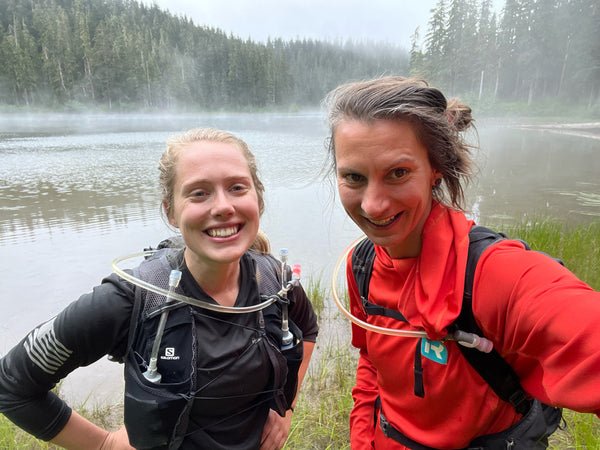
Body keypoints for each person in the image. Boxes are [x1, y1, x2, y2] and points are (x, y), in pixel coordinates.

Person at [323, 76, 600, 449]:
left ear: (435, 168)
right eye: (354, 177)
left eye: (398, 173)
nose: (373, 205)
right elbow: (371, 363)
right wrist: (361, 442)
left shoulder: (494, 274)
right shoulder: (362, 264)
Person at [0, 127, 318, 450]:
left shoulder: (277, 282)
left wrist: (286, 409)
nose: (223, 206)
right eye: (199, 193)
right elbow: (12, 385)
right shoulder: (133, 297)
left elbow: (307, 328)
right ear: (170, 211)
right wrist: (104, 444)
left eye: (237, 187)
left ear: (258, 199)